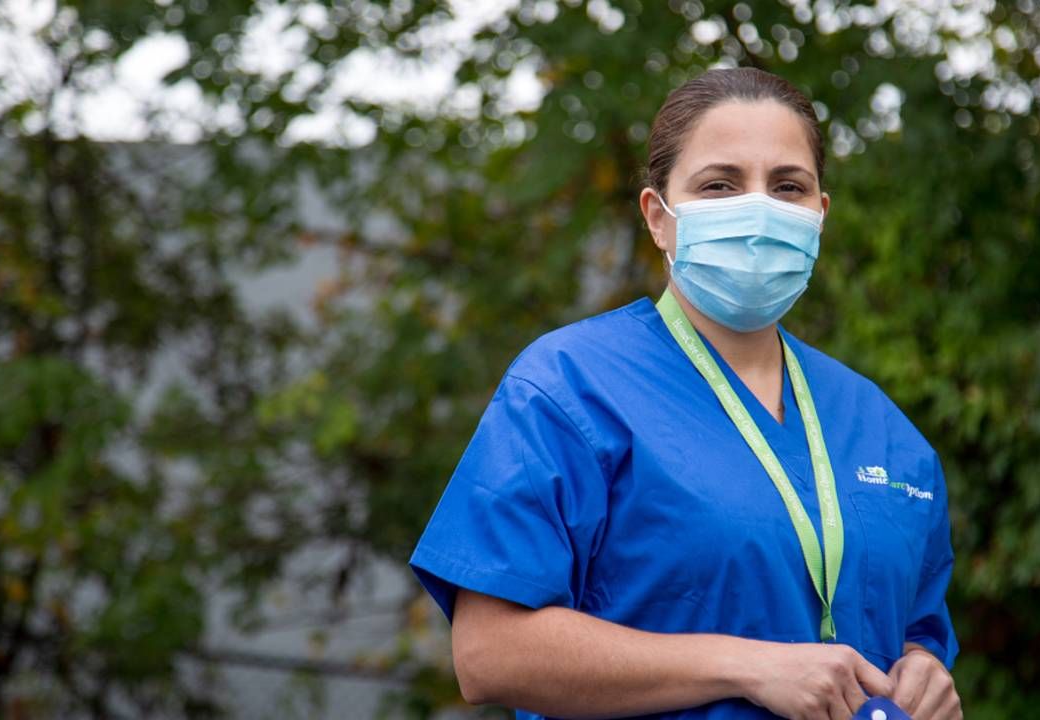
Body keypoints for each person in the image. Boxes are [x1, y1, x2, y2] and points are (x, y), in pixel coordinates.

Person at [409, 67, 962, 720]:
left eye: (788, 186)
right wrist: (748, 666)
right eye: (719, 185)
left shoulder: (885, 431)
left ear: (818, 214)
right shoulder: (567, 389)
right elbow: (490, 654)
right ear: (658, 218)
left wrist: (926, 669)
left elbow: (916, 629)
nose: (758, 210)